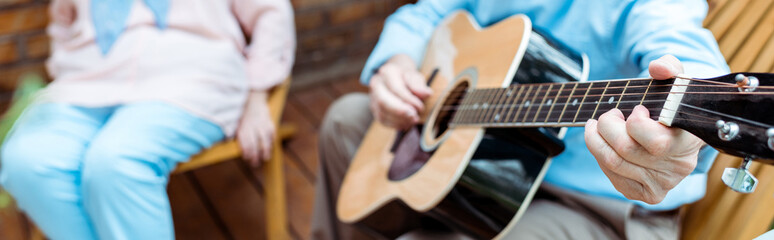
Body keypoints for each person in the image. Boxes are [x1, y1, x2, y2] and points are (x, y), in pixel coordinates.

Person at [311, 0, 729, 239]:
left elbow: (692, 63)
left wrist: (684, 134)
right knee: (345, 120)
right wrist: (396, 63)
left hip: (600, 206)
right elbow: (425, 13)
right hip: (485, 156)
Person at [0, 0, 294, 239]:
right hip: (87, 81)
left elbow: (272, 14)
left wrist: (257, 97)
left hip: (190, 81)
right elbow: (63, 22)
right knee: (25, 161)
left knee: (116, 162)